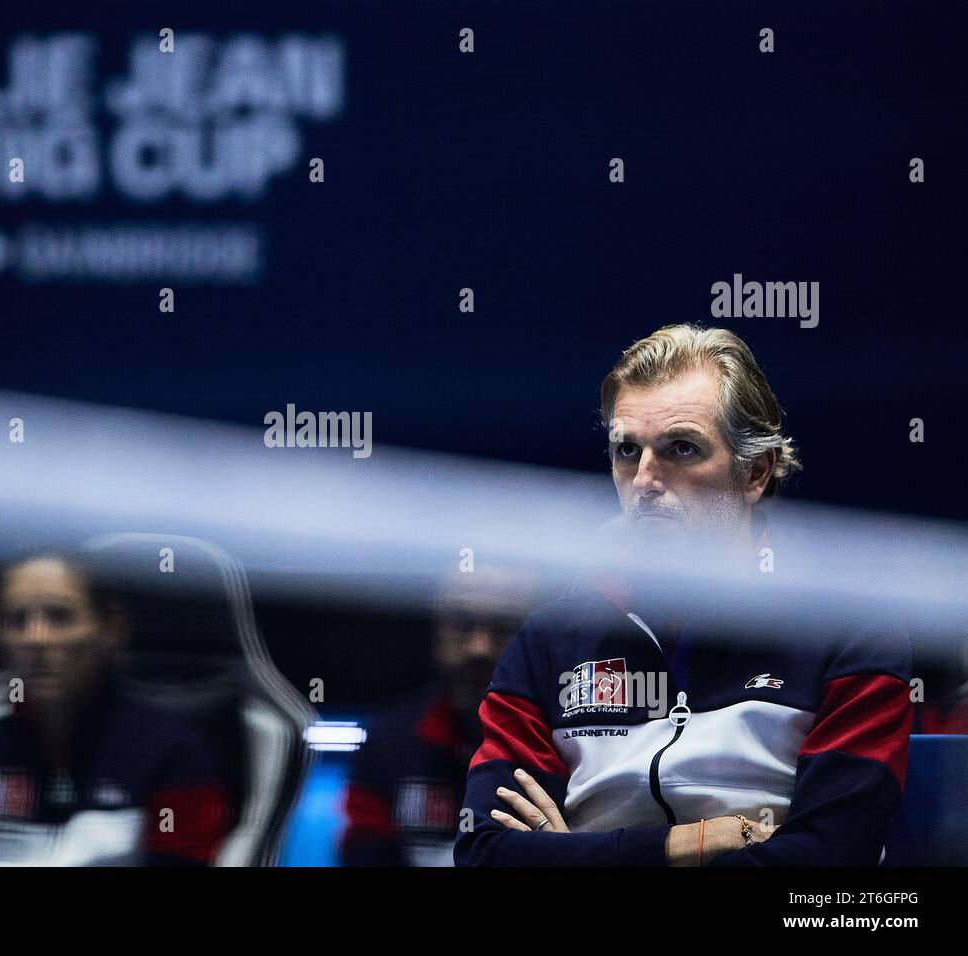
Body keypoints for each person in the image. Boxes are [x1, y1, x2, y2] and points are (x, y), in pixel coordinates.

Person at [455, 324, 912, 866]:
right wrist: (689, 844)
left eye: (681, 449)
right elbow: (486, 854)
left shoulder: (852, 628)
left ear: (755, 473)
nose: (646, 480)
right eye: (627, 451)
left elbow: (828, 869)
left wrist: (575, 856)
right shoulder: (549, 637)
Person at [0, 554, 230, 865]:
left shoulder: (173, 755)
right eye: (17, 620)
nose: (36, 638)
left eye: (60, 617)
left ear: (111, 630)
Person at [341, 569, 526, 865]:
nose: (479, 648)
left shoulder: (561, 742)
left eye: (503, 627)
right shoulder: (387, 741)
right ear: (437, 627)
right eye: (463, 624)